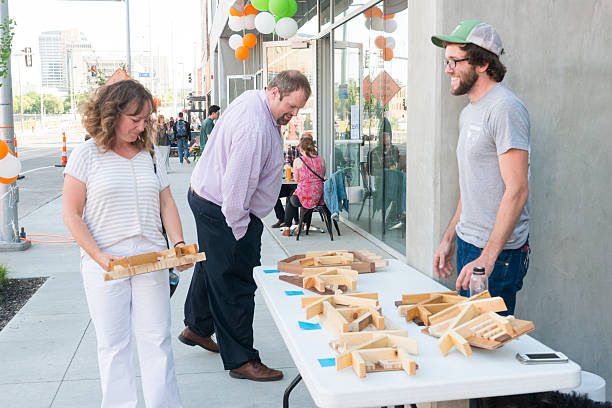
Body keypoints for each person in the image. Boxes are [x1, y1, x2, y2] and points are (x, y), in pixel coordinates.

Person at [62, 79, 188, 407]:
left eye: (146, 120)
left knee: (157, 341)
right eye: (135, 120)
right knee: (114, 345)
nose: (141, 126)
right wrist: (98, 256)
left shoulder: (150, 155)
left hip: (150, 259)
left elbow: (166, 204)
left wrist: (178, 244)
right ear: (112, 114)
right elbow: (72, 214)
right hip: (105, 263)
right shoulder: (86, 154)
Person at [180, 69, 311, 381]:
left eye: (299, 109)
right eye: (291, 107)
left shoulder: (254, 99)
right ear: (275, 91)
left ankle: (197, 326)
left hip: (208, 197)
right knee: (235, 282)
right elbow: (236, 187)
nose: (293, 115)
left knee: (213, 264)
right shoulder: (254, 127)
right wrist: (239, 230)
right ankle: (240, 359)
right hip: (225, 208)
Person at [431, 20, 530, 315]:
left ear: (484, 62)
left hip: (497, 255)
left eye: (454, 61)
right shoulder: (469, 113)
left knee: (488, 349)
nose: (447, 69)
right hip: (468, 243)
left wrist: (487, 259)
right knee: (468, 342)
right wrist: (450, 237)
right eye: (445, 61)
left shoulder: (505, 109)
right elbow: (473, 186)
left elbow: (517, 190)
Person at [271, 132, 313, 228]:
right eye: (304, 140)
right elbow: (286, 163)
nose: (306, 143)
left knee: (292, 194)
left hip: (303, 185)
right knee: (273, 193)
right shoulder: (292, 150)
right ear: (300, 141)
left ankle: (296, 221)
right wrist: (290, 168)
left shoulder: (313, 155)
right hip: (290, 181)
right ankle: (282, 218)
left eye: (309, 141)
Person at [367, 117, 403, 230]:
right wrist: (386, 171)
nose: (385, 138)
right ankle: (394, 218)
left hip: (394, 181)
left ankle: (393, 218)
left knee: (400, 186)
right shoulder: (375, 152)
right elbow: (373, 171)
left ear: (390, 137)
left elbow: (400, 166)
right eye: (383, 135)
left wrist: (396, 169)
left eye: (387, 135)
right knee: (399, 191)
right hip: (381, 181)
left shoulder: (394, 149)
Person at [282, 137, 325, 228]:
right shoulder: (321, 160)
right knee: (308, 195)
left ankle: (287, 227)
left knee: (291, 199)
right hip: (319, 197)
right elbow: (322, 175)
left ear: (301, 149)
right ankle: (305, 224)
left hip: (303, 197)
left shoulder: (298, 161)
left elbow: (297, 180)